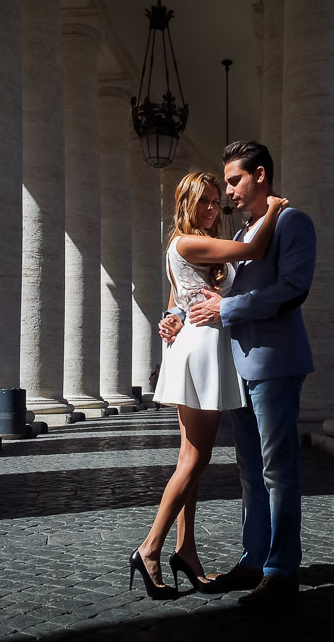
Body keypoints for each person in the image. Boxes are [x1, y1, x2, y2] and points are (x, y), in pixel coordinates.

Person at [165, 141, 316, 607]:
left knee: (278, 470)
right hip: (235, 367)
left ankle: (281, 569)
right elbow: (194, 292)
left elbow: (293, 290)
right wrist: (173, 315)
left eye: (233, 181)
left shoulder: (292, 222)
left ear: (261, 175)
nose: (227, 191)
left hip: (274, 362)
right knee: (249, 472)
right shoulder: (248, 229)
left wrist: (226, 307)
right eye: (224, 183)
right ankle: (254, 559)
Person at [129, 171, 288, 600]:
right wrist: (274, 207)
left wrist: (174, 317)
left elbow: (177, 299)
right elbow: (253, 248)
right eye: (206, 201)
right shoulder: (187, 240)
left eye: (218, 201)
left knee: (190, 459)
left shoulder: (187, 245)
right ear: (186, 202)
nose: (214, 209)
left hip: (195, 342)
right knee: (196, 460)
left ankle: (187, 552)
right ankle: (149, 549)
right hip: (202, 350)